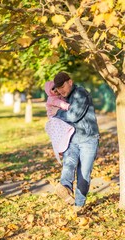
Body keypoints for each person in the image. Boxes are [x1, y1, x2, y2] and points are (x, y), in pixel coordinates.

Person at [50, 72, 99, 211]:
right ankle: (65, 188)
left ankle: (79, 205)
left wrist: (58, 113)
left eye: (62, 86)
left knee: (83, 173)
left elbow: (73, 116)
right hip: (72, 140)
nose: (60, 90)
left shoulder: (80, 93)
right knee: (68, 164)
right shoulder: (63, 97)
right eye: (58, 88)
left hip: (88, 140)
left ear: (70, 82)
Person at [44, 81, 75, 168]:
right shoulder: (52, 98)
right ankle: (61, 148)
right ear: (49, 91)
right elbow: (61, 104)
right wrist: (70, 107)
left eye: (56, 87)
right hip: (54, 118)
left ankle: (63, 147)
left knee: (65, 132)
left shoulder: (59, 96)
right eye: (52, 89)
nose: (56, 90)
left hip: (59, 116)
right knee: (61, 133)